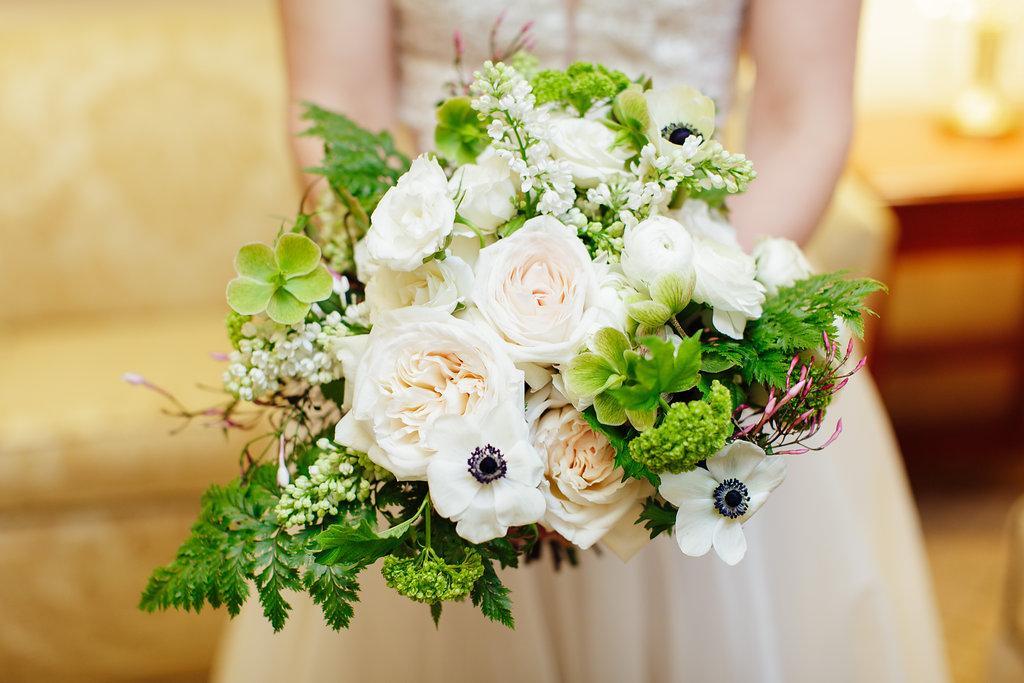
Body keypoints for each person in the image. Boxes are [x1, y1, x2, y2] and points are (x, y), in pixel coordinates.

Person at [212, 1, 950, 680]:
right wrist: (458, 318)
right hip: (438, 325)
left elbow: (804, 115)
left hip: (713, 308)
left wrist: (690, 320)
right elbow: (340, 104)